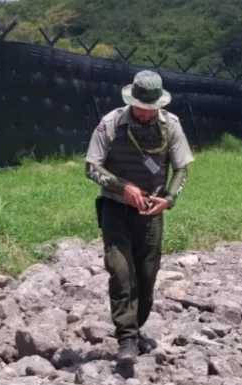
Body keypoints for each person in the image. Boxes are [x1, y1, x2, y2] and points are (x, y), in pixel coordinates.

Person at [84, 70, 194, 363]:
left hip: (150, 212)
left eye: (151, 109)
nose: (145, 114)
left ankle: (137, 327)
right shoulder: (110, 123)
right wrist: (123, 187)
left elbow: (182, 167)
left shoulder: (171, 125)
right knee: (121, 273)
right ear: (131, 101)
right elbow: (91, 167)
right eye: (140, 108)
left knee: (146, 277)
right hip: (115, 209)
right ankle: (127, 339)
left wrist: (168, 200)